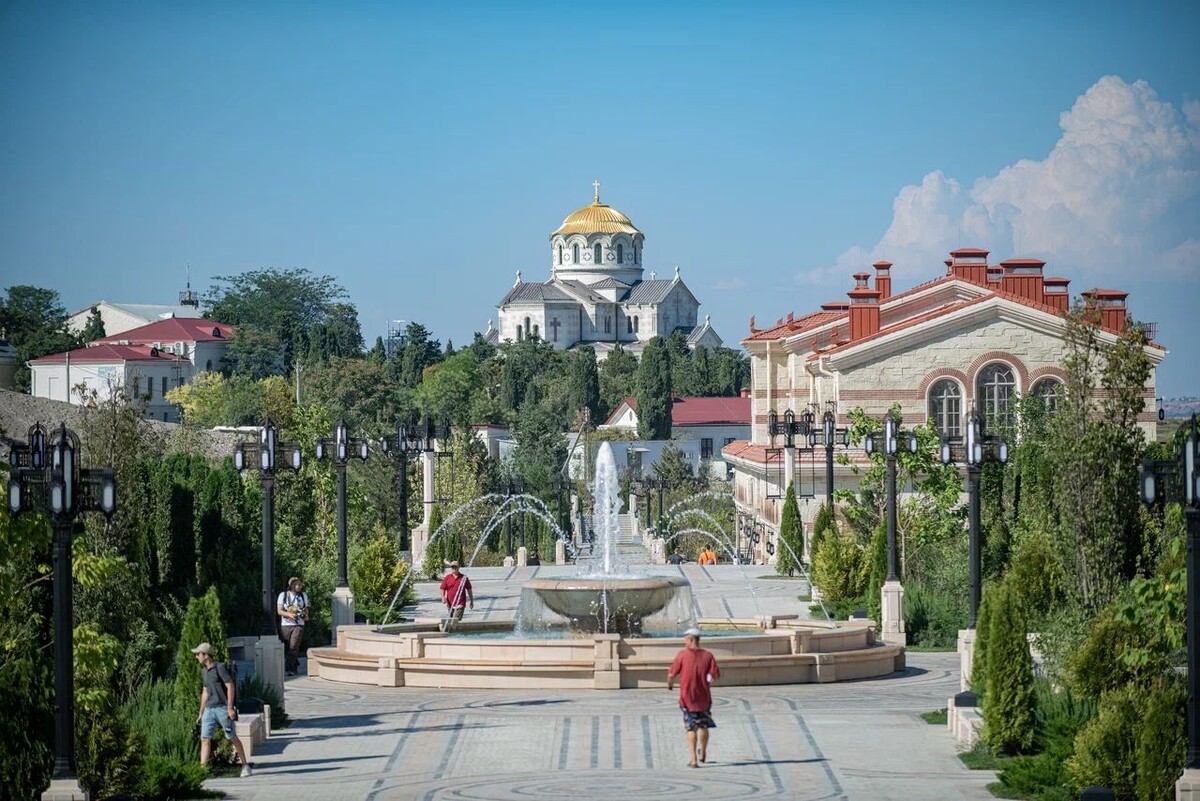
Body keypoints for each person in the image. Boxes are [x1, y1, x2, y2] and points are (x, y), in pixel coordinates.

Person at [192, 642, 252, 777]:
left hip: (222, 709)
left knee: (232, 737)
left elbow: (230, 686)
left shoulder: (219, 668)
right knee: (205, 739)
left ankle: (245, 766)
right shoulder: (204, 671)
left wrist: (230, 708)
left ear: (206, 655)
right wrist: (201, 712)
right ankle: (203, 771)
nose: (196, 657)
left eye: (198, 654)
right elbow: (205, 691)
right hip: (209, 709)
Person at [667, 627, 720, 768]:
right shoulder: (708, 656)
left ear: (690, 640)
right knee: (703, 725)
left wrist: (670, 685)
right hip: (704, 698)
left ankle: (693, 760)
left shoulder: (682, 655)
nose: (684, 642)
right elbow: (714, 674)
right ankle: (702, 752)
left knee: (691, 728)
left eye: (685, 639)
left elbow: (672, 674)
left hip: (687, 698)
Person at [276, 576, 308, 676]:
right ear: (291, 585)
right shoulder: (283, 595)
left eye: (300, 584)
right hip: (285, 624)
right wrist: (289, 614)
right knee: (287, 647)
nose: (299, 586)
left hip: (298, 624)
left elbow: (306, 608)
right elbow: (279, 611)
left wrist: (306, 615)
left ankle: (289, 669)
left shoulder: (303, 595)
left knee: (293, 646)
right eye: (297, 584)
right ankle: (295, 664)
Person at [439, 561, 474, 629]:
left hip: (460, 604)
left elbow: (469, 589)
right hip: (450, 604)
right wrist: (443, 597)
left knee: (455, 621)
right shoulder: (447, 578)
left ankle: (455, 636)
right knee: (451, 622)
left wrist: (471, 601)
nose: (454, 568)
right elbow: (442, 588)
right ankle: (453, 635)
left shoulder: (463, 578)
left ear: (458, 567)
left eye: (455, 567)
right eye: (452, 567)